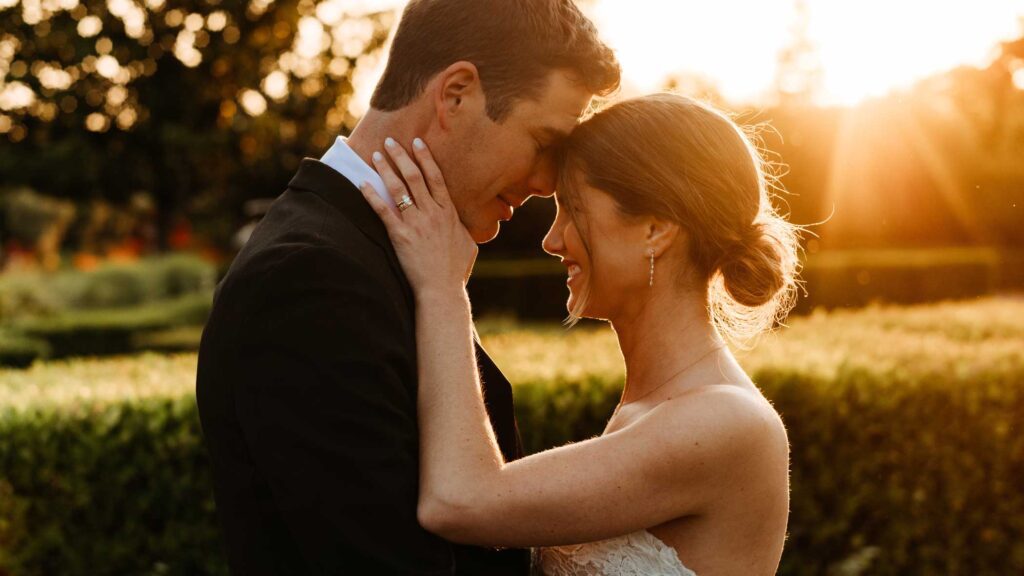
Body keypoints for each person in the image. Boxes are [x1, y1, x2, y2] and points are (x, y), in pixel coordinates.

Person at [194, 0, 619, 573]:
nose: (546, 183)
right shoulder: (305, 280)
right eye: (543, 143)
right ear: (456, 94)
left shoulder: (393, 253)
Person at [358, 93, 802, 575]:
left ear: (656, 228)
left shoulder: (726, 422)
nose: (552, 239)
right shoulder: (649, 409)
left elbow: (457, 499)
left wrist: (442, 289)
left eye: (572, 208)